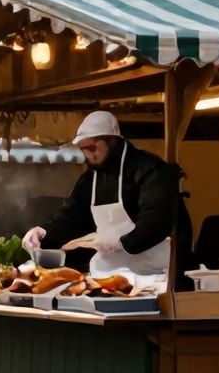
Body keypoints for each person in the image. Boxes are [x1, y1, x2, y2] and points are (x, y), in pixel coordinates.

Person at [22, 110, 192, 280]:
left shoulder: (150, 169)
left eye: (92, 148)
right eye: (84, 150)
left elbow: (156, 221)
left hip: (154, 274)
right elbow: (71, 218)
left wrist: (123, 242)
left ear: (113, 141)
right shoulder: (90, 179)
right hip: (108, 274)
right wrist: (43, 232)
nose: (88, 155)